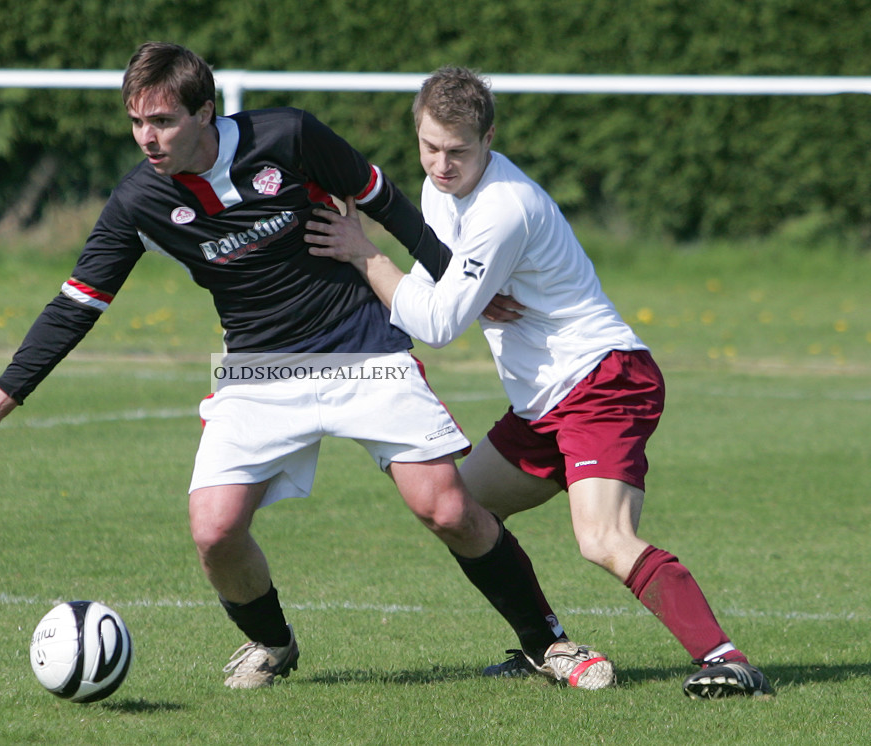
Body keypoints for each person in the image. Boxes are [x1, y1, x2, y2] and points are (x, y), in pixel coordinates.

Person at [0, 43, 607, 691]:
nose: (147, 137)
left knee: (447, 506)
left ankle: (546, 641)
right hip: (257, 370)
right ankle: (272, 643)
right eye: (137, 121)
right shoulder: (138, 201)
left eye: (162, 120)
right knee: (214, 530)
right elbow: (75, 306)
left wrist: (460, 286)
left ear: (204, 114)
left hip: (359, 347)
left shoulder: (288, 136)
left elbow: (386, 202)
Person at [306, 66, 773, 699]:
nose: (442, 165)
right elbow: (444, 275)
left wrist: (365, 253)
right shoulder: (443, 187)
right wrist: (468, 285)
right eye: (430, 147)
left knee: (602, 538)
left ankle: (727, 659)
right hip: (544, 402)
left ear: (489, 137)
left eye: (459, 151)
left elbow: (439, 321)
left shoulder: (506, 205)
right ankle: (545, 645)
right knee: (458, 509)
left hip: (602, 379)